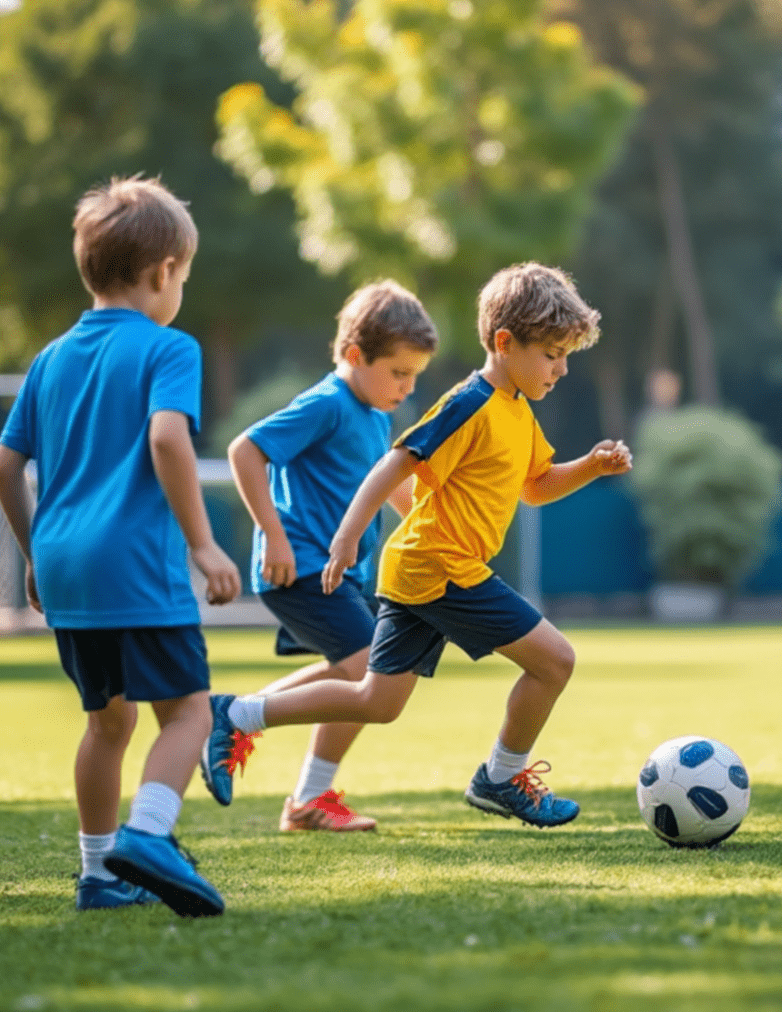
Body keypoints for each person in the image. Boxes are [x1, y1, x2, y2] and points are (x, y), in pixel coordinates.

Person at [203, 262, 632, 827]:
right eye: (551, 352)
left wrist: (589, 467)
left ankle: (237, 714)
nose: (562, 367)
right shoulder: (469, 403)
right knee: (555, 661)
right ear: (504, 343)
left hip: (420, 572)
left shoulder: (517, 412)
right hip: (441, 567)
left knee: (376, 703)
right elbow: (395, 463)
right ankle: (501, 777)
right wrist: (347, 537)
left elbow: (535, 486)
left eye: (565, 354)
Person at [0, 176, 241, 915]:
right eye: (185, 278)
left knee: (108, 721)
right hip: (135, 564)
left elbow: (7, 463)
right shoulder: (169, 348)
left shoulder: (50, 359)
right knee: (190, 714)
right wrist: (204, 546)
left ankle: (99, 874)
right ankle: (149, 834)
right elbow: (168, 437)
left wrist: (36, 553)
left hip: (66, 567)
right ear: (165, 270)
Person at [204, 280, 437, 831]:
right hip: (301, 566)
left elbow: (380, 485)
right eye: (398, 372)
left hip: (339, 575)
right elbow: (246, 450)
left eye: (414, 376)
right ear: (355, 356)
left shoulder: (375, 412)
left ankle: (304, 794)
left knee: (352, 676)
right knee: (367, 675)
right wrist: (274, 536)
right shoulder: (329, 402)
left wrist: (432, 528)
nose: (406, 386)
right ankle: (234, 716)